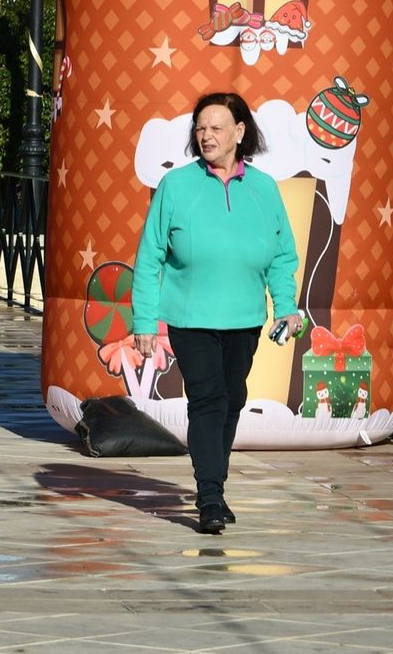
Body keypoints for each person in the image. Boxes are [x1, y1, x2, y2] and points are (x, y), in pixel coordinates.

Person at [132, 91, 301, 535]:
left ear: (239, 132)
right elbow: (150, 256)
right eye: (200, 128)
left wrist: (286, 307)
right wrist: (145, 321)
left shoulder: (264, 189)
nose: (206, 136)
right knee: (208, 400)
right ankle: (209, 497)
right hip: (191, 319)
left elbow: (283, 256)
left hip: (245, 318)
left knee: (232, 401)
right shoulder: (177, 186)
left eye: (216, 128)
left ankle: (215, 485)